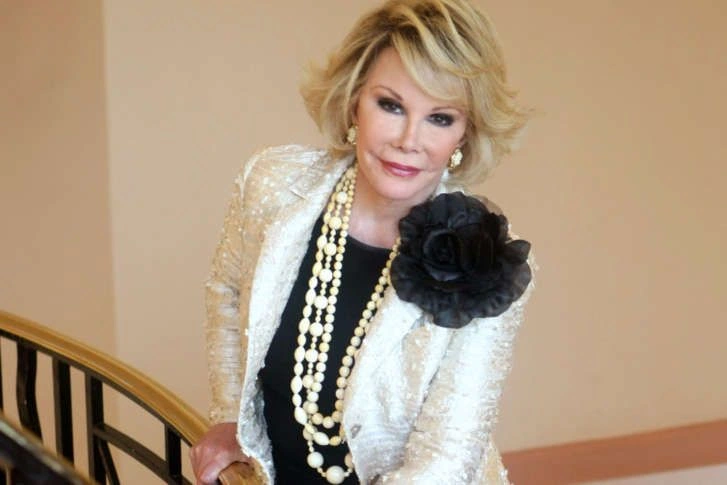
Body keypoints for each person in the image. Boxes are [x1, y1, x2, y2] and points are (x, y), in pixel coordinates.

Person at [190, 0, 534, 484]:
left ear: (464, 134)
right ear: (354, 100)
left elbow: (446, 456)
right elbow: (227, 292)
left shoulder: (488, 255)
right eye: (391, 106)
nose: (409, 140)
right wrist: (231, 417)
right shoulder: (274, 185)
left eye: (440, 118)